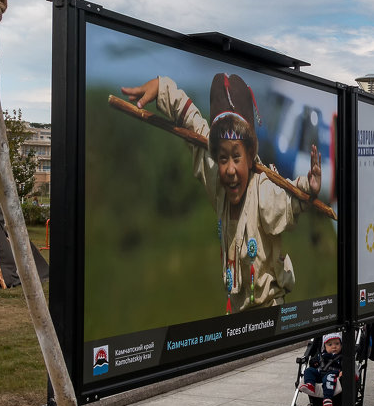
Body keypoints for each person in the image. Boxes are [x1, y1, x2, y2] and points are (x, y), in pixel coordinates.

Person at [121, 73, 322, 314]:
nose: (229, 169)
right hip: (235, 317)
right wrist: (162, 87)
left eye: (236, 157)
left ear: (250, 157)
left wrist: (307, 188)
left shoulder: (264, 189)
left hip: (271, 314)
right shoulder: (216, 177)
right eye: (222, 158)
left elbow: (288, 200)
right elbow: (192, 124)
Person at [302, 332, 343, 406]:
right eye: (330, 345)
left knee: (329, 377)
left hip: (333, 374)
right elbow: (313, 361)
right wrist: (314, 362)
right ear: (325, 346)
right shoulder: (321, 355)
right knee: (308, 370)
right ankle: (310, 384)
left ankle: (328, 398)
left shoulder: (342, 357)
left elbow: (345, 364)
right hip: (320, 373)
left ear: (341, 345)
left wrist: (343, 371)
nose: (334, 346)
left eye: (337, 344)